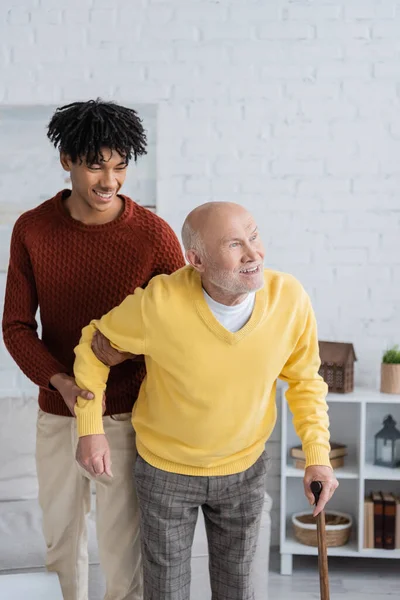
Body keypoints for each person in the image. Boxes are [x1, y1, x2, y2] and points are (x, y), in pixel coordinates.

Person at [73, 201, 338, 600]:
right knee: (166, 593)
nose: (254, 254)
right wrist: (90, 428)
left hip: (244, 470)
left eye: (253, 236)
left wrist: (317, 455)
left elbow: (305, 382)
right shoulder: (159, 303)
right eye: (234, 245)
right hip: (166, 473)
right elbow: (93, 347)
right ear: (195, 259)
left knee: (238, 592)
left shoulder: (290, 300)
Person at [2, 99, 185, 600]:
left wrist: (125, 353)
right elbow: (16, 326)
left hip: (127, 416)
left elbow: (182, 324)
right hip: (59, 415)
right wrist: (61, 382)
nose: (110, 180)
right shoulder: (33, 230)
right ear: (66, 160)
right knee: (62, 543)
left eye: (120, 165)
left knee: (124, 551)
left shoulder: (154, 235)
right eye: (95, 165)